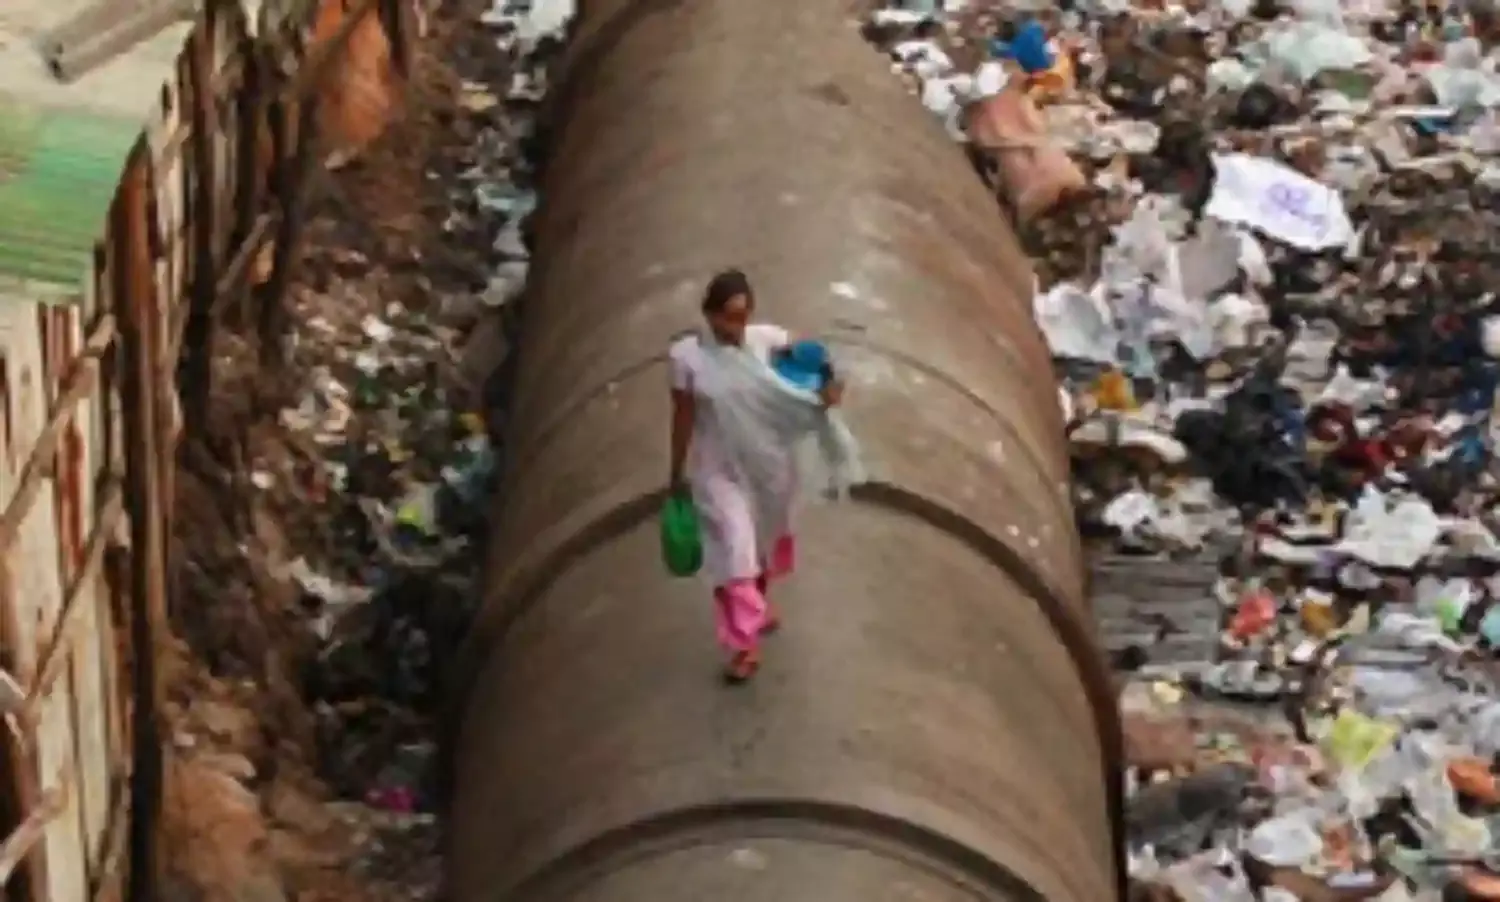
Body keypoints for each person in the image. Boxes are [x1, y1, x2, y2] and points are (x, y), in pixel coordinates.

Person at [668, 269, 846, 683]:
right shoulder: (687, 359)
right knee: (735, 552)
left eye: (743, 316)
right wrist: (675, 470)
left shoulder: (765, 341)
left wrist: (829, 381)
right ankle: (743, 644)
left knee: (766, 541)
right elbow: (683, 415)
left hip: (766, 465)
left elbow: (810, 356)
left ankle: (758, 606)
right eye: (729, 317)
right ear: (710, 314)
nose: (736, 326)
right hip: (719, 470)